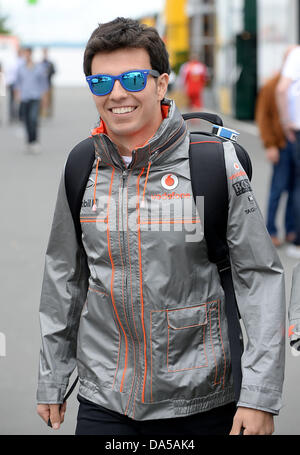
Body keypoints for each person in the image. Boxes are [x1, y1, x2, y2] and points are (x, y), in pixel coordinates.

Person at [36, 17, 285, 436]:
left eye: (133, 78)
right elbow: (65, 276)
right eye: (100, 83)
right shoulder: (83, 165)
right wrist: (52, 378)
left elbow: (259, 278)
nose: (116, 94)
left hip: (202, 398)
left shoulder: (212, 164)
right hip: (104, 396)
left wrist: (259, 394)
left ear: (161, 83)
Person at [255, 49, 296, 247]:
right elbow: (263, 117)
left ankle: (291, 229)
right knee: (277, 189)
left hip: (295, 143)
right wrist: (270, 145)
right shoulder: (272, 85)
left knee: (294, 189)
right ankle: (271, 230)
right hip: (280, 144)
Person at [276, 45, 300, 258]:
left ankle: (295, 236)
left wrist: (287, 123)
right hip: (289, 137)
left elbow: (282, 89)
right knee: (288, 186)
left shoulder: (296, 55)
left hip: (294, 133)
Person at [15, 47, 48, 154]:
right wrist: (17, 94)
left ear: (31, 54)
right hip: (24, 96)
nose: (27, 55)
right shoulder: (20, 68)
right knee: (26, 120)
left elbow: (43, 83)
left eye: (28, 53)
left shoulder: (38, 67)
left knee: (33, 119)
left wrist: (44, 97)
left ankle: (35, 141)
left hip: (35, 96)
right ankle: (29, 141)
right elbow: (18, 83)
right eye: (25, 53)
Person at [40, 47, 56, 117]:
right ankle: (42, 113)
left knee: (50, 99)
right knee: (41, 99)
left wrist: (48, 73)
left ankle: (49, 112)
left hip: (49, 83)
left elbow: (54, 71)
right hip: (42, 85)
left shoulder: (50, 63)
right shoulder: (40, 63)